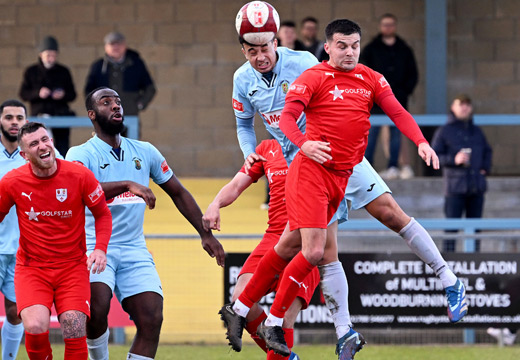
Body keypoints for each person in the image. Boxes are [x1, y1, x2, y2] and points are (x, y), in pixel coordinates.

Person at [223, 17, 467, 358]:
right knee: (318, 249)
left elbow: (397, 111)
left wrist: (421, 141)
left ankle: (449, 280)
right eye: (253, 50)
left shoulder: (341, 71)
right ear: (328, 47)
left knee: (389, 216)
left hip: (348, 165)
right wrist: (283, 149)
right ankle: (339, 330)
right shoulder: (277, 77)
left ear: (276, 43)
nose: (261, 55)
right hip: (311, 167)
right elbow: (260, 122)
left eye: (354, 46)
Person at [66, 87, 225, 360]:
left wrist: (205, 234)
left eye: (117, 101)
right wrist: (128, 184)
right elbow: (80, 190)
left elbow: (179, 192)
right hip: (93, 244)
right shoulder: (80, 154)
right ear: (92, 115)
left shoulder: (144, 150)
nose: (116, 106)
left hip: (133, 246)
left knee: (152, 318)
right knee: (96, 310)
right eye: (106, 103)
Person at [0, 122, 112, 360]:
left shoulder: (79, 175)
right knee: (35, 325)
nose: (42, 146)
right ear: (24, 154)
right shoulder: (12, 181)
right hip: (32, 268)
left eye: (45, 140)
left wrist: (100, 249)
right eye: (34, 144)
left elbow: (102, 213)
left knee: (73, 327)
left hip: (72, 267)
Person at [203, 139, 314, 360]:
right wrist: (215, 204)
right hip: (273, 237)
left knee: (283, 321)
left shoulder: (312, 143)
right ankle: (288, 358)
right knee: (239, 299)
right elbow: (236, 185)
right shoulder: (267, 148)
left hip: (306, 237)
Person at [360, 14, 418, 180]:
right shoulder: (371, 49)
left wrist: (404, 91)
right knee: (371, 134)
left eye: (391, 24)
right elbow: (363, 71)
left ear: (395, 26)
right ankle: (368, 167)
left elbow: (413, 74)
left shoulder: (404, 49)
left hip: (397, 100)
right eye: (385, 24)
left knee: (396, 135)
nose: (388, 28)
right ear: (380, 26)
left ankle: (393, 166)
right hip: (375, 102)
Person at [431, 94, 492, 252]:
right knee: (451, 230)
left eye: (467, 104)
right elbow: (434, 156)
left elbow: (487, 151)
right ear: (453, 107)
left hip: (476, 188)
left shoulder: (477, 131)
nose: (464, 107)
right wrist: (454, 159)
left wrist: (485, 168)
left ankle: (474, 264)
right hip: (454, 189)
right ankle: (447, 267)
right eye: (461, 104)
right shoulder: (444, 131)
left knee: (475, 230)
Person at [0, 100, 29, 359]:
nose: (14, 122)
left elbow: (68, 174)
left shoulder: (36, 155)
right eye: (9, 117)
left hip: (21, 251)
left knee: (15, 311)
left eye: (19, 118)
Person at [19, 35, 77, 156]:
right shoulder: (31, 71)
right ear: (41, 55)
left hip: (60, 115)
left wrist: (62, 95)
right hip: (39, 115)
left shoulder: (63, 71)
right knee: (41, 146)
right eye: (48, 55)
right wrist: (38, 93)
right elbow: (23, 93)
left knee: (62, 147)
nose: (51, 58)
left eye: (54, 55)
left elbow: (72, 95)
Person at [84, 32, 156, 123]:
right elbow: (89, 90)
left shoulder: (136, 64)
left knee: (129, 137)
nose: (116, 47)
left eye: (119, 44)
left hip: (129, 116)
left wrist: (139, 105)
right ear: (106, 47)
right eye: (112, 44)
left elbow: (150, 88)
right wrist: (96, 108)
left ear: (125, 46)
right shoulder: (98, 66)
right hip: (105, 118)